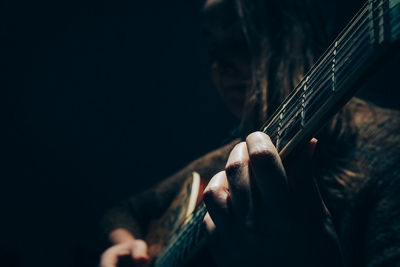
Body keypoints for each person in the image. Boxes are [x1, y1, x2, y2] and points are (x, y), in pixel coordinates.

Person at [99, 0, 400, 266]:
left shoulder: (390, 146)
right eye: (214, 50)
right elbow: (122, 210)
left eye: (241, 40)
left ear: (292, 37)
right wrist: (129, 246)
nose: (220, 67)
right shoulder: (233, 157)